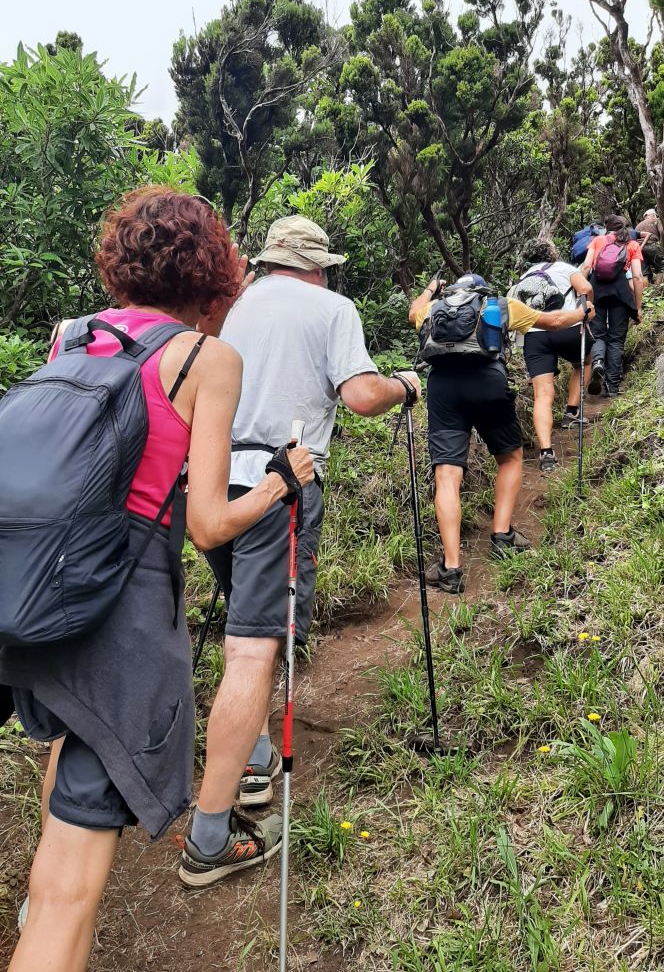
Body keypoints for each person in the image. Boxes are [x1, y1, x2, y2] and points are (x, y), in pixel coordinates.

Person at [0, 188, 316, 972]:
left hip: (30, 582)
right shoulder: (206, 360)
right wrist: (279, 484)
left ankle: (39, 903)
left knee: (68, 747)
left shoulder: (72, 335)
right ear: (212, 271)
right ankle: (51, 921)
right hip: (117, 616)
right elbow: (207, 523)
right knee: (72, 891)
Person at [179, 216, 421, 887]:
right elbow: (361, 396)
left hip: (212, 486)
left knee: (244, 622)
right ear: (317, 267)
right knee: (254, 647)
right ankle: (210, 833)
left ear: (266, 261)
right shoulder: (331, 307)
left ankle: (254, 761)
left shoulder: (231, 306)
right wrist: (405, 385)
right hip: (279, 486)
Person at [408, 273, 594, 593]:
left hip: (443, 389)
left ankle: (450, 569)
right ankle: (502, 534)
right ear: (481, 291)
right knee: (510, 458)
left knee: (447, 475)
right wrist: (582, 313)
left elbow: (413, 312)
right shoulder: (500, 305)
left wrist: (431, 288)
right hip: (488, 383)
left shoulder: (433, 308)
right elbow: (553, 321)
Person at [517, 239, 594, 474]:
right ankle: (572, 411)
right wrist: (586, 309)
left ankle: (546, 452)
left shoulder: (524, 277)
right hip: (567, 327)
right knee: (585, 362)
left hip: (535, 336)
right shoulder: (564, 268)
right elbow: (586, 288)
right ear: (552, 253)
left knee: (542, 394)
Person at [580, 214, 644, 398]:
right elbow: (638, 277)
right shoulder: (632, 244)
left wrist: (580, 293)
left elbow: (586, 266)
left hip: (596, 291)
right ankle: (613, 386)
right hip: (620, 293)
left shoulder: (597, 240)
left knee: (597, 334)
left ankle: (598, 362)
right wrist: (637, 306)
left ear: (606, 227)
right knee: (616, 339)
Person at [636, 207, 664, 288]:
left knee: (645, 273)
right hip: (652, 245)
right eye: (655, 215)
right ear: (652, 215)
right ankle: (659, 289)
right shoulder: (656, 221)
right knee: (661, 269)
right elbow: (662, 232)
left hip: (639, 249)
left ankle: (646, 292)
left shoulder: (638, 225)